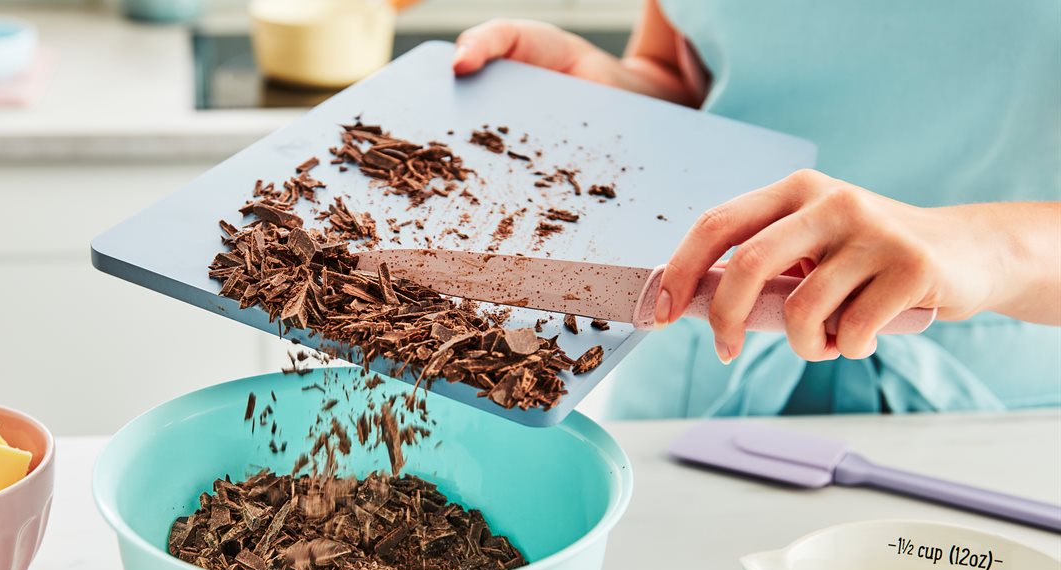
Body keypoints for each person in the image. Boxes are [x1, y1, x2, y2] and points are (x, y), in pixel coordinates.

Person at [453, 2, 1061, 417]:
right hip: (692, 387)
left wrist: (981, 246)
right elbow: (685, 71)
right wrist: (615, 94)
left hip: (995, 406)